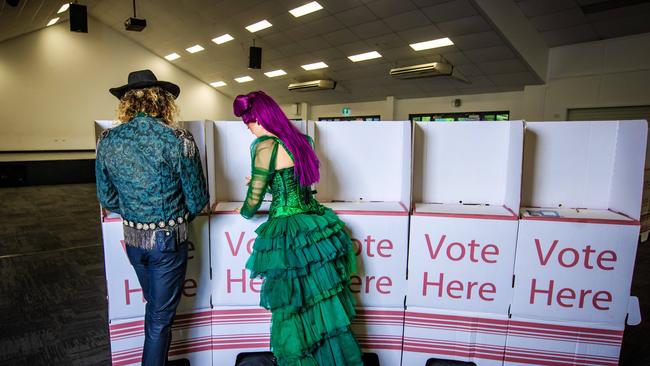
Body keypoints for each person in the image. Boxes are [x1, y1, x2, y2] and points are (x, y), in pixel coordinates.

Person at [233, 91, 364, 365]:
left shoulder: (264, 146)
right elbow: (299, 181)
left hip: (287, 232)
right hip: (315, 227)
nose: (247, 128)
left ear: (259, 119)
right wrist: (266, 181)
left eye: (248, 122)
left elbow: (254, 200)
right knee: (320, 303)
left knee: (292, 305)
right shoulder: (302, 140)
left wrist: (243, 212)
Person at [96, 70, 208, 366]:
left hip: (133, 241)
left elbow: (106, 198)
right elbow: (197, 199)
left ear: (127, 103)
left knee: (156, 310)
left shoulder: (107, 140)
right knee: (160, 318)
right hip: (168, 242)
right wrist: (173, 218)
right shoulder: (178, 138)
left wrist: (136, 213)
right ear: (162, 102)